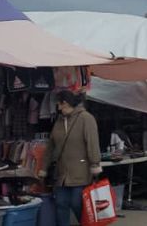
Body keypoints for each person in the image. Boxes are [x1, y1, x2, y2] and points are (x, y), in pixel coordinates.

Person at [39, 90, 102, 226]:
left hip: (80, 170)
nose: (57, 106)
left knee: (77, 203)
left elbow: (92, 142)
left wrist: (95, 163)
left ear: (65, 103)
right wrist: (43, 168)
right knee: (60, 204)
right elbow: (51, 146)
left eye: (59, 103)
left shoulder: (86, 118)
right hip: (62, 173)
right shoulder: (59, 121)